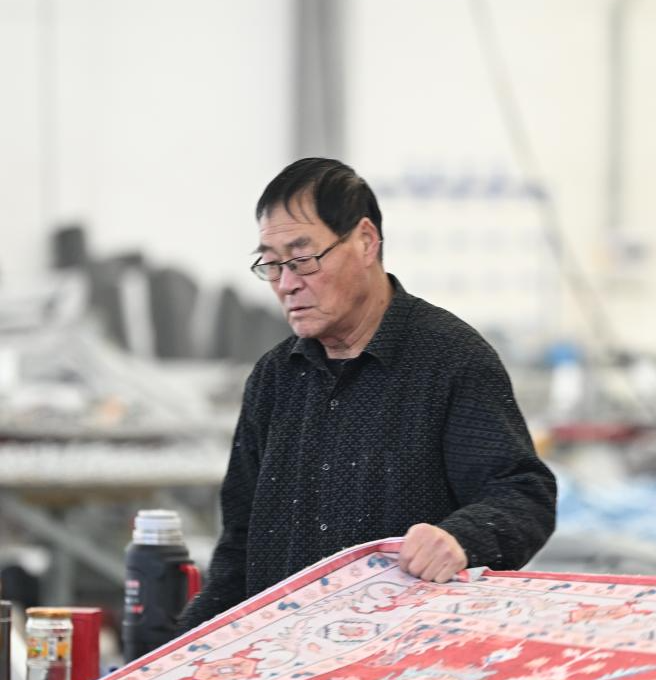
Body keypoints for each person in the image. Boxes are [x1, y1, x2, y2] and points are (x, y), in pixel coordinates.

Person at [178, 158, 556, 632]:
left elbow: (523, 494)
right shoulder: (275, 378)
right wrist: (183, 647)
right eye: (272, 265)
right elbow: (239, 543)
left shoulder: (450, 360)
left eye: (302, 259)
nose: (287, 284)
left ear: (364, 241)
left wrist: (461, 538)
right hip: (283, 653)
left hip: (406, 656)